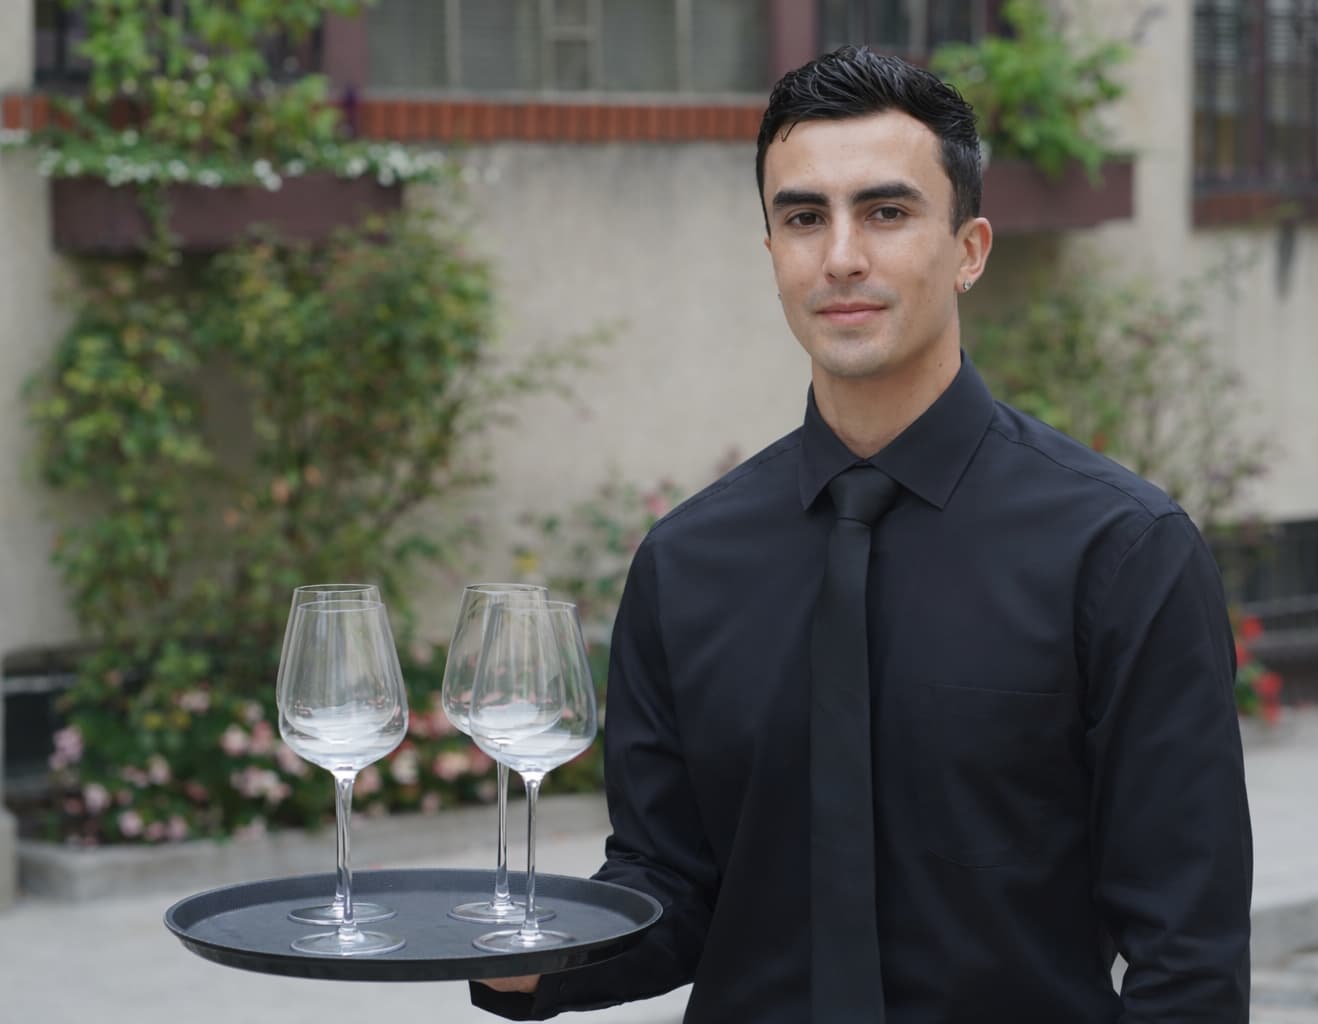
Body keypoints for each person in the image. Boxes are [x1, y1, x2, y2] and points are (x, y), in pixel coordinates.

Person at [471, 45, 1252, 1023]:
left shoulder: (1123, 553)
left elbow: (1189, 960)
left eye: (886, 212)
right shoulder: (686, 564)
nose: (840, 255)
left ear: (969, 250)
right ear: (772, 253)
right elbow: (674, 885)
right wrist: (529, 956)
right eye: (805, 218)